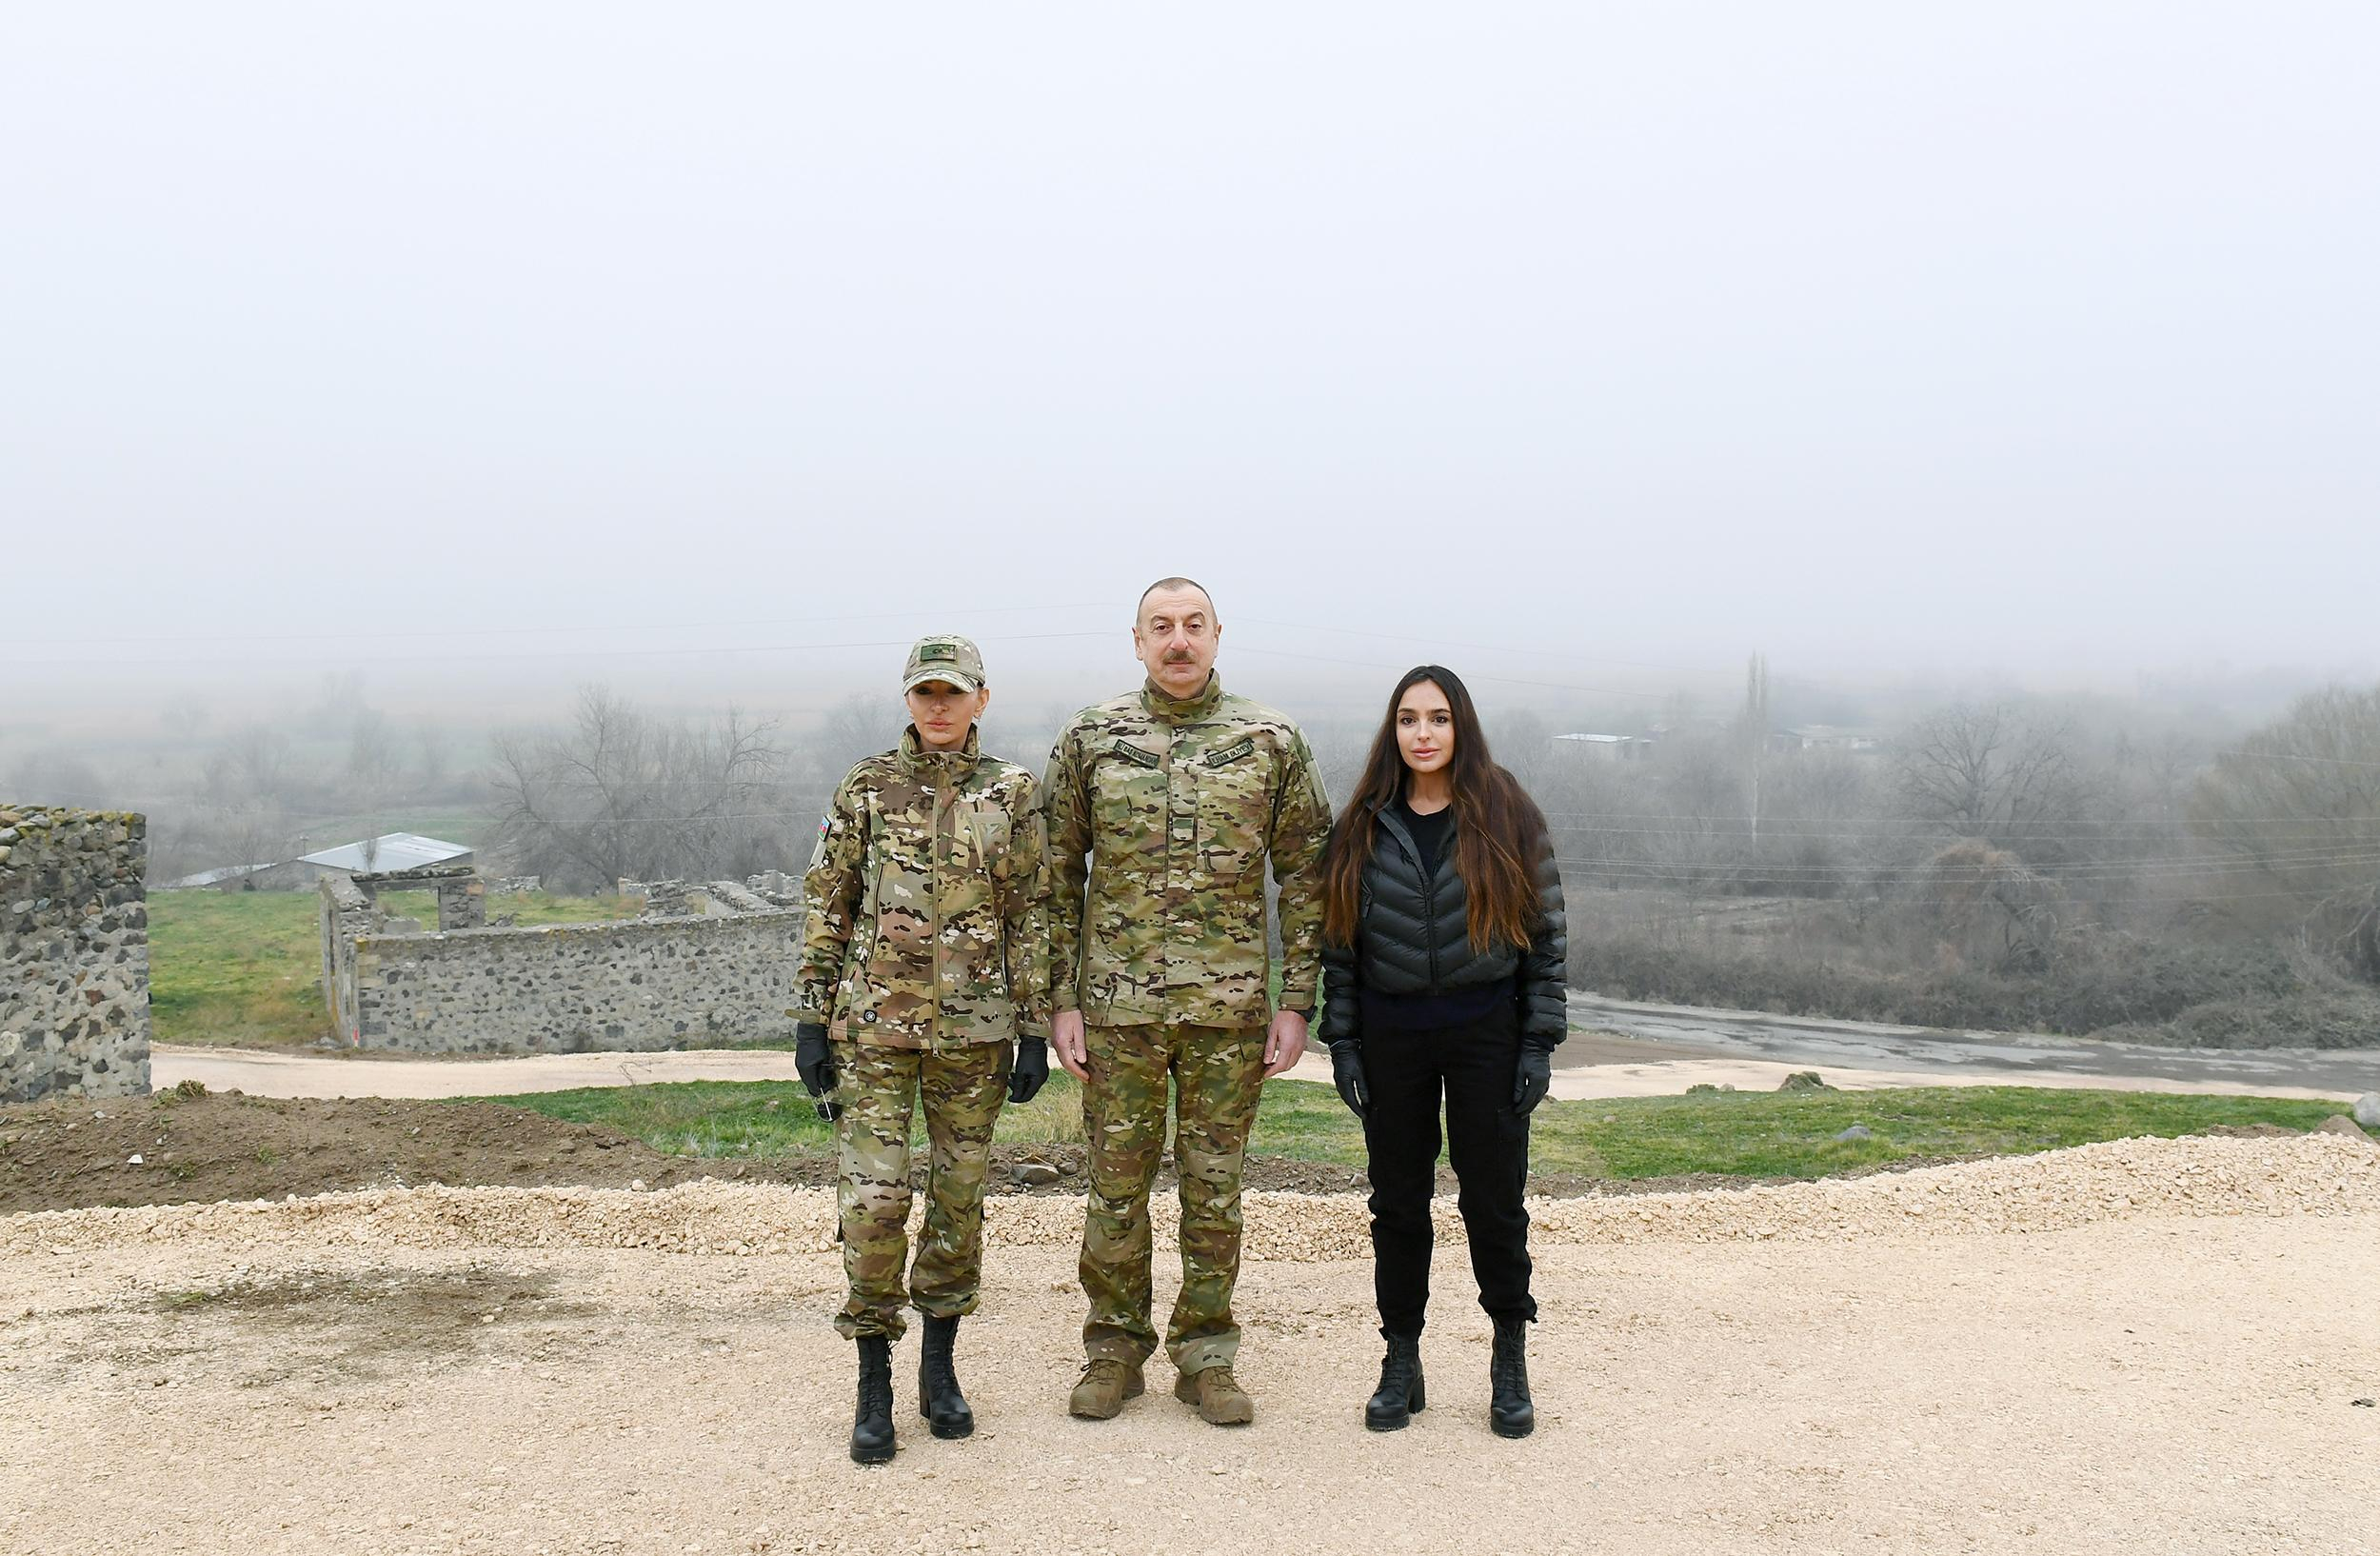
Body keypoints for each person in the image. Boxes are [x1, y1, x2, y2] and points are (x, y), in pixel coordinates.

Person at [1041, 577, 1332, 1426]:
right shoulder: (1091, 738)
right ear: (1137, 641)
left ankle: (1207, 1357)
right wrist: (1061, 1000)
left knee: (1214, 1193)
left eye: (1193, 625)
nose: (1178, 640)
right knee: (1114, 1191)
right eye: (1161, 626)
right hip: (1117, 1011)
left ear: (1216, 635)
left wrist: (1296, 1001)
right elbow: (1052, 877)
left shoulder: (1269, 740)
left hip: (1228, 1013)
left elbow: (1307, 877)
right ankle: (1113, 1352)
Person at [793, 633, 1049, 1466]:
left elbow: (1033, 912)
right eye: (926, 693)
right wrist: (810, 1019)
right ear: (908, 700)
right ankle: (873, 1379)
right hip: (873, 1029)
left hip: (976, 1033)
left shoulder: (1013, 791)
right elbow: (828, 900)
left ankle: (939, 1369)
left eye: (954, 692)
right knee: (873, 1201)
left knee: (958, 1199)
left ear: (981, 699)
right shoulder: (866, 786)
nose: (939, 707)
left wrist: (1035, 1029)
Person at [1315, 665, 1567, 1439]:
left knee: (1494, 1202)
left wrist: (1538, 1042)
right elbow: (1339, 944)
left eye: (1438, 718)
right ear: (1392, 731)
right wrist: (1344, 1042)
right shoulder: (1364, 821)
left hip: (1487, 1029)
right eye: (1408, 719)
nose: (1422, 733)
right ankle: (1401, 1358)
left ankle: (1509, 1356)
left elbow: (1546, 936)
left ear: (1462, 726)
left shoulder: (1507, 810)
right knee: (1397, 1204)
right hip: (1392, 1036)